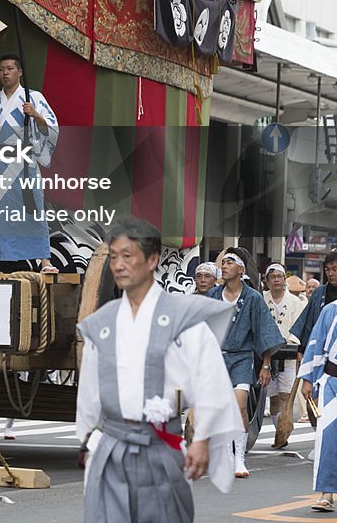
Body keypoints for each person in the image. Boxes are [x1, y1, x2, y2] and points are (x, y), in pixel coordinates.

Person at [76, 216, 242, 523]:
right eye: (114, 258)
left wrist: (203, 439)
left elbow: (210, 380)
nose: (119, 266)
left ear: (153, 260)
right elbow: (89, 392)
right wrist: (88, 439)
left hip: (161, 445)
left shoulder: (183, 317)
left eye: (128, 257)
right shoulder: (102, 323)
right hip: (111, 445)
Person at [0, 53, 59, 274]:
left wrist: (35, 115)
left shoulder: (34, 98)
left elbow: (51, 129)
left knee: (34, 210)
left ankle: (45, 260)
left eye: (9, 69)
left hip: (24, 161)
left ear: (20, 72)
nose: (5, 73)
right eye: (1, 69)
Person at [205, 250, 284, 477]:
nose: (225, 266)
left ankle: (239, 457)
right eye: (223, 262)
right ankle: (228, 456)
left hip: (242, 356)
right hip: (217, 357)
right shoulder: (212, 295)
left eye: (230, 262)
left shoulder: (252, 298)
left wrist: (266, 365)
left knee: (239, 406)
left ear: (241, 269)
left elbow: (264, 332)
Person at [298, 292, 337, 513]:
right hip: (334, 382)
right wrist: (308, 380)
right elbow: (316, 343)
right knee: (329, 438)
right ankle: (327, 493)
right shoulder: (331, 309)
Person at [262, 263, 303, 443]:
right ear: (267, 280)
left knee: (286, 395)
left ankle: (283, 431)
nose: (277, 280)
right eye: (273, 277)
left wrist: (291, 342)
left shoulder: (295, 302)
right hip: (268, 356)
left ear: (285, 280)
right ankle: (278, 430)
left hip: (288, 355)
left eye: (280, 276)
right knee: (273, 398)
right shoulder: (261, 299)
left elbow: (299, 327)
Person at [292, 252, 337, 355]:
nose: (330, 273)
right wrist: (301, 351)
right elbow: (308, 323)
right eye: (327, 269)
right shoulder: (318, 293)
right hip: (319, 347)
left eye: (334, 269)